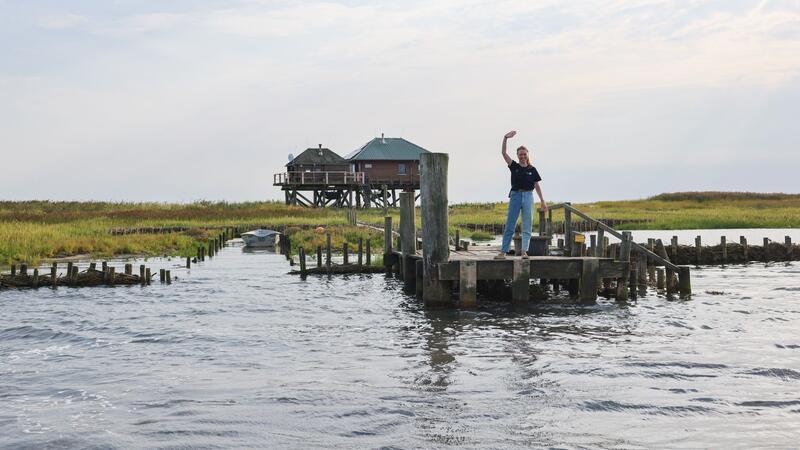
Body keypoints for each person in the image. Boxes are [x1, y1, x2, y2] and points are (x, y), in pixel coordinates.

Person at [495, 130, 547, 259]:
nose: (522, 156)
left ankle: (524, 252)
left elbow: (536, 185)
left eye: (524, 154)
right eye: (520, 154)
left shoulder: (532, 169)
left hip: (529, 196)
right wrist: (505, 138)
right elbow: (503, 153)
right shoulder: (514, 166)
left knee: (527, 225)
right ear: (517, 156)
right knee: (510, 224)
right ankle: (503, 252)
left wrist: (542, 200)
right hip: (516, 196)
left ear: (527, 155)